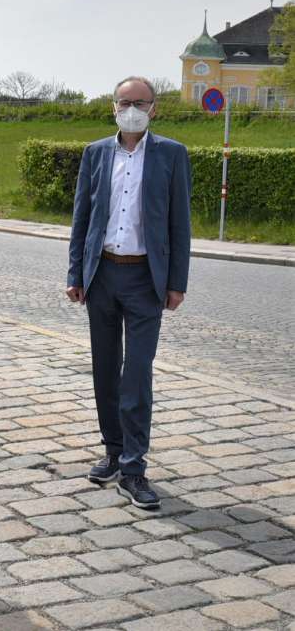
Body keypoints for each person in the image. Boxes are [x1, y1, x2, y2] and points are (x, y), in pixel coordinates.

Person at [67, 76, 191, 510]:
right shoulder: (96, 153)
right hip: (102, 274)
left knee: (136, 373)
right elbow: (81, 217)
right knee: (105, 369)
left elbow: (180, 223)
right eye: (125, 102)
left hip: (144, 279)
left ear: (154, 108)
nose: (132, 108)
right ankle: (113, 451)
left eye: (141, 102)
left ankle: (135, 468)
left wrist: (177, 281)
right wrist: (75, 273)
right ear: (113, 107)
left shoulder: (172, 155)